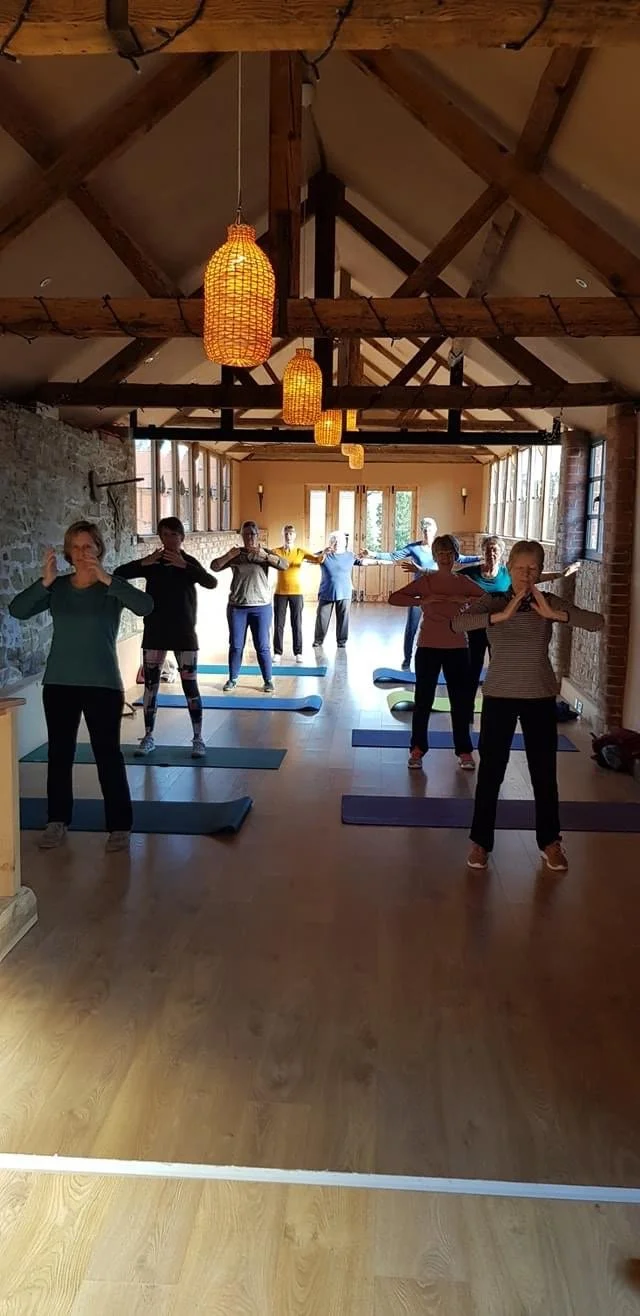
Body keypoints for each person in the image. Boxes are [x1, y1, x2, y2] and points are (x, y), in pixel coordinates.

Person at [451, 539, 604, 873]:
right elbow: (457, 624)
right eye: (520, 568)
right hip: (499, 695)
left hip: (539, 696)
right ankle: (480, 843)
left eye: (533, 568)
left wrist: (555, 615)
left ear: (539, 571)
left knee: (544, 773)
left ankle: (550, 842)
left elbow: (596, 622)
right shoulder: (491, 601)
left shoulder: (547, 601)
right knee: (491, 772)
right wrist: (501, 616)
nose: (526, 574)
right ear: (509, 570)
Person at [9, 520, 153, 852]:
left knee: (108, 755)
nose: (82, 553)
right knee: (60, 754)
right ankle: (56, 821)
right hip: (59, 683)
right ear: (67, 553)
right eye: (75, 547)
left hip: (102, 683)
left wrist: (107, 578)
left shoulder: (112, 587)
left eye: (88, 546)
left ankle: (119, 825)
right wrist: (43, 583)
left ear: (99, 549)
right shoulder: (56, 588)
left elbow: (146, 607)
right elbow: (17, 610)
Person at [114, 516, 218, 758]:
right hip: (155, 633)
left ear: (181, 537)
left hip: (184, 634)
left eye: (173, 535)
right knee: (151, 687)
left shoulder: (188, 562)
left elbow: (211, 582)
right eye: (164, 535)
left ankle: (198, 738)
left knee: (190, 686)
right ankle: (148, 736)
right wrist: (144, 562)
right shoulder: (152, 563)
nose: (169, 540)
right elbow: (119, 573)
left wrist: (185, 567)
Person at [388, 534, 485, 770]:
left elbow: (486, 599)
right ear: (434, 556)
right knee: (423, 700)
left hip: (457, 647)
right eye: (440, 554)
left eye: (449, 554)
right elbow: (394, 598)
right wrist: (425, 598)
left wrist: (460, 599)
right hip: (428, 646)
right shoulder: (426, 581)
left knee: (460, 702)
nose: (444, 558)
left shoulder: (461, 581)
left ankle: (464, 751)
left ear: (455, 556)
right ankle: (417, 749)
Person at [367, 516, 479, 668]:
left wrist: (481, 557)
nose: (427, 532)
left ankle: (446, 653)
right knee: (411, 628)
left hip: (444, 596)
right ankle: (407, 659)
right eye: (424, 530)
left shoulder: (444, 548)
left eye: (430, 529)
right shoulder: (414, 548)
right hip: (422, 592)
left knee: (445, 625)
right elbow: (394, 556)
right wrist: (374, 554)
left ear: (435, 530)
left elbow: (461, 559)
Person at [210, 520, 288, 692]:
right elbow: (214, 566)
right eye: (246, 534)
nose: (250, 537)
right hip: (237, 606)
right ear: (242, 536)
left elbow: (284, 565)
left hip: (261, 606)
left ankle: (268, 680)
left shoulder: (264, 553)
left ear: (257, 535)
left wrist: (265, 556)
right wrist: (229, 556)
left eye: (253, 534)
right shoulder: (236, 555)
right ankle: (232, 679)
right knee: (236, 645)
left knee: (263, 645)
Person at [313, 531, 375, 649]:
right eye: (334, 540)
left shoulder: (350, 555)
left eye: (339, 541)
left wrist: (378, 559)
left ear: (344, 543)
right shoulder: (324, 555)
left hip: (345, 592)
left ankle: (341, 642)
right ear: (330, 542)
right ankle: (318, 640)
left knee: (343, 618)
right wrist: (323, 552)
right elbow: (309, 558)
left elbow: (362, 562)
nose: (336, 543)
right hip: (326, 591)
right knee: (322, 618)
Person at [272, 524, 319, 664]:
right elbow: (264, 556)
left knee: (296, 623)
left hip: (296, 592)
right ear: (283, 535)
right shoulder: (276, 551)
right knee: (279, 624)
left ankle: (298, 652)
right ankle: (277, 652)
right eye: (286, 533)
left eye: (291, 533)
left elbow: (317, 559)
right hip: (280, 592)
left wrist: (327, 552)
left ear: (295, 536)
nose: (288, 536)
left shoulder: (300, 551)